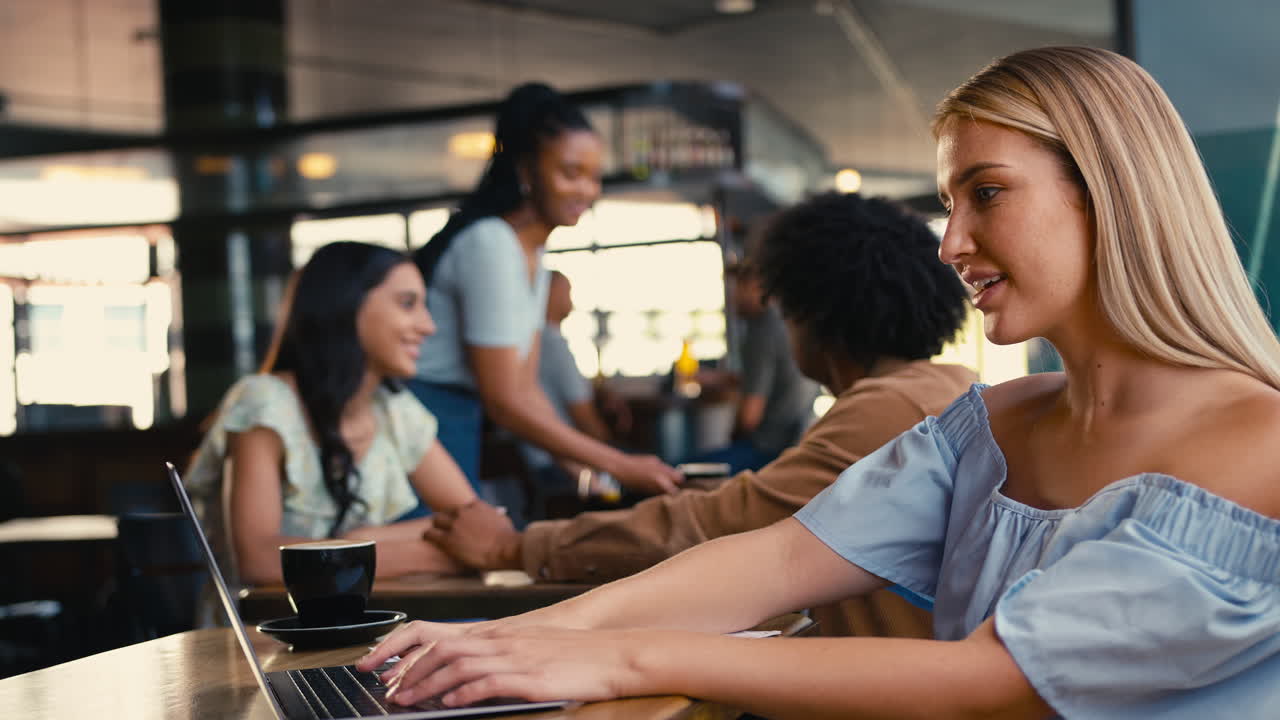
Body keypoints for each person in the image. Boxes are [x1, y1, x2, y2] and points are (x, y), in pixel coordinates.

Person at [359, 46, 1280, 717]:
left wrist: (611, 660)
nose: (952, 242)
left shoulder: (1262, 445)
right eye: (950, 204)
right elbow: (785, 557)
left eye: (986, 193)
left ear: (1106, 190)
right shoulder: (989, 422)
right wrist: (535, 636)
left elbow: (991, 682)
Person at [420, 191, 976, 639]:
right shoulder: (949, 387)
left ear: (811, 315)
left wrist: (513, 546)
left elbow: (714, 528)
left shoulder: (891, 408)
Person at [406, 82, 681, 515]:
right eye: (571, 173)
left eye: (594, 176)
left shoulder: (530, 253)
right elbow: (505, 402)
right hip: (421, 421)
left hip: (454, 422)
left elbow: (525, 388)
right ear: (525, 170)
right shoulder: (490, 244)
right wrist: (617, 463)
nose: (587, 191)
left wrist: (588, 472)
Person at [185, 242, 482, 585]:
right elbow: (259, 561)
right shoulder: (266, 402)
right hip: (257, 633)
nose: (428, 326)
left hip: (359, 623)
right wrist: (428, 553)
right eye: (407, 304)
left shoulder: (394, 411)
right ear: (347, 305)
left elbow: (476, 524)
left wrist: (360, 541)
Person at [691, 260, 820, 474]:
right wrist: (725, 379)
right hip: (794, 446)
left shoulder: (761, 331)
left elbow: (750, 418)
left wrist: (733, 437)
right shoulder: (790, 321)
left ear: (757, 285)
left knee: (678, 469)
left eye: (735, 287)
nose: (731, 298)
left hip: (766, 452)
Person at [518, 270, 629, 517]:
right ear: (548, 294)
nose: (572, 301)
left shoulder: (530, 342)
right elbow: (584, 418)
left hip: (540, 460)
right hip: (558, 464)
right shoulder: (554, 345)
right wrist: (615, 454)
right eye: (567, 292)